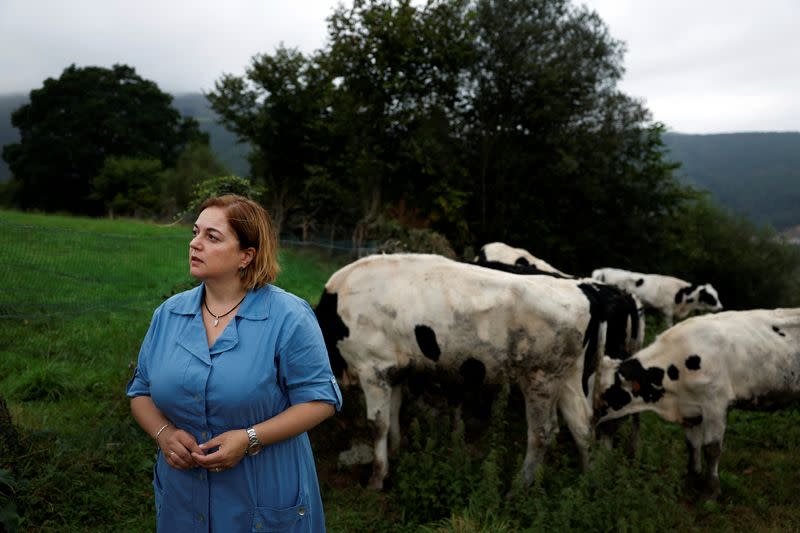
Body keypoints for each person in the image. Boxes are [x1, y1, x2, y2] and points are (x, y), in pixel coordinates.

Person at [127, 194, 342, 532]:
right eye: (196, 232)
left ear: (246, 255)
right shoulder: (169, 314)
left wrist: (249, 437)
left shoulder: (288, 317)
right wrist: (164, 433)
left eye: (212, 237)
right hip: (182, 494)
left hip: (263, 492)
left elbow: (321, 400)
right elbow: (140, 392)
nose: (195, 244)